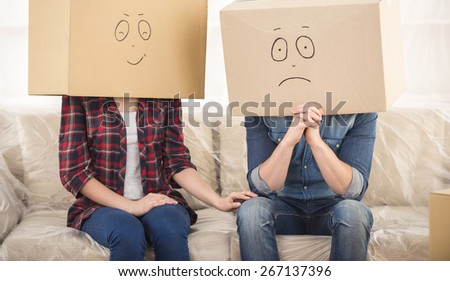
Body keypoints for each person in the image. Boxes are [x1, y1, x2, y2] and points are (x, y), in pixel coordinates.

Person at [59, 95, 256, 261]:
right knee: (127, 231)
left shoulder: (164, 89)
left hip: (157, 197)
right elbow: (75, 172)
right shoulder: (79, 94)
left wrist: (218, 201)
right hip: (101, 207)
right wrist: (132, 206)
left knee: (169, 228)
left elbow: (176, 162)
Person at [236, 104, 377, 260]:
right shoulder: (260, 107)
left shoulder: (361, 108)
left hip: (332, 208)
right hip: (283, 208)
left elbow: (354, 189)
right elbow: (261, 188)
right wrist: (289, 140)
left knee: (355, 212)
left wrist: (315, 141)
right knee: (251, 211)